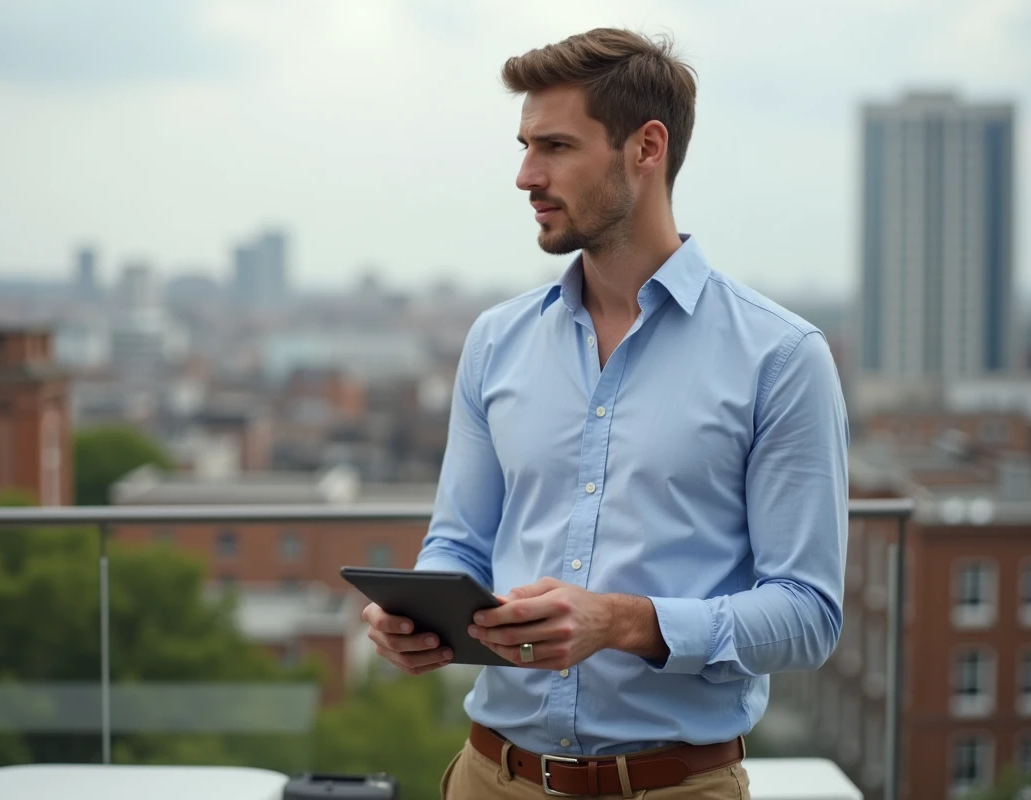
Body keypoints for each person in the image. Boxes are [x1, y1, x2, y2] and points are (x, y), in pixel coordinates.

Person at [362, 27, 849, 799]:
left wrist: (622, 622)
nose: (526, 175)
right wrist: (422, 613)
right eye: (523, 146)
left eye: (554, 146)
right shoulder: (497, 341)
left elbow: (808, 615)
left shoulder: (781, 357)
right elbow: (460, 540)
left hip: (674, 787)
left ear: (645, 148)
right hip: (489, 777)